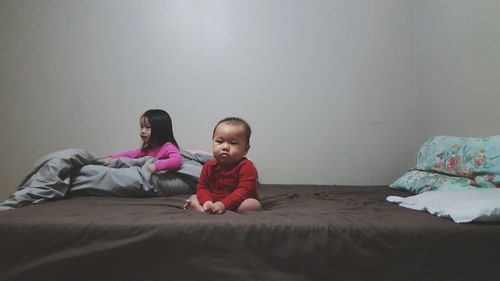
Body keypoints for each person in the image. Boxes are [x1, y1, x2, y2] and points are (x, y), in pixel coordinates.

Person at [184, 117, 261, 214]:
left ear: (245, 149)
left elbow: (245, 190)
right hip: (213, 200)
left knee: (252, 204)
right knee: (194, 197)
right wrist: (207, 201)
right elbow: (202, 187)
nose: (225, 147)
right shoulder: (208, 165)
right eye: (219, 142)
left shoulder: (246, 166)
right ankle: (204, 208)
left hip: (238, 201)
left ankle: (218, 210)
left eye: (233, 143)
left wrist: (223, 204)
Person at [106, 109, 182, 172]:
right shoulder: (148, 149)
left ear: (161, 129)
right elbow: (132, 154)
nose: (143, 131)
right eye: (142, 127)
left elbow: (177, 160)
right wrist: (113, 157)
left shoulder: (168, 147)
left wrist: (155, 166)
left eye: (148, 127)